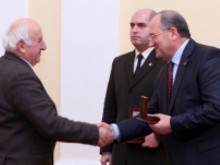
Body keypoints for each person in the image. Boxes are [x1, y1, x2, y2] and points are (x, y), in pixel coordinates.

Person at [107, 10, 220, 165]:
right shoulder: (166, 69)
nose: (151, 43)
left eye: (153, 36)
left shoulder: (207, 58)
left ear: (172, 32)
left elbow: (216, 108)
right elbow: (149, 115)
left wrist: (173, 124)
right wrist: (113, 131)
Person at [0, 18, 113, 165]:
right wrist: (95, 132)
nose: (44, 46)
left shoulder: (5, 67)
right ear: (21, 45)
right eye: (39, 40)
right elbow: (50, 124)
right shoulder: (19, 76)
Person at [100, 8, 169, 165]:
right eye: (132, 25)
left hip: (152, 151)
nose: (134, 30)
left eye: (141, 25)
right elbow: (111, 107)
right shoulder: (119, 62)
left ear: (153, 29)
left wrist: (159, 136)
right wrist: (106, 149)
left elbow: (172, 107)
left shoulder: (166, 62)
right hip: (122, 150)